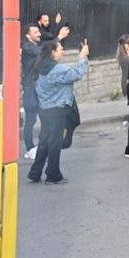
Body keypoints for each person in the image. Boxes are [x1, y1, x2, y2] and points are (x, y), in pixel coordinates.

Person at [28, 39, 90, 185]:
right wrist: (82, 57)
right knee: (55, 142)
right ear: (53, 53)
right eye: (60, 49)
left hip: (45, 109)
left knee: (44, 141)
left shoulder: (42, 67)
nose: (62, 50)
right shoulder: (57, 69)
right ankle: (53, 175)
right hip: (57, 110)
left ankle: (35, 172)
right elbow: (77, 74)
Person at [21, 23, 70, 159]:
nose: (39, 34)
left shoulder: (38, 45)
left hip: (39, 86)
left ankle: (42, 146)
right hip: (30, 87)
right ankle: (30, 148)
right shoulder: (27, 47)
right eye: (35, 32)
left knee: (45, 116)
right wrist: (59, 37)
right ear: (27, 35)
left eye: (38, 31)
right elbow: (44, 50)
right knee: (30, 119)